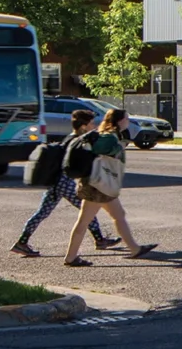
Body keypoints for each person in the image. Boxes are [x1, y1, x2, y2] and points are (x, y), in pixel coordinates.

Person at [13, 108, 117, 257]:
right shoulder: (75, 140)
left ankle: (22, 242)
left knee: (43, 213)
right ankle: (100, 240)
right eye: (91, 123)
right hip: (63, 182)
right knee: (87, 209)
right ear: (83, 126)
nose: (94, 126)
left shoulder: (71, 138)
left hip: (57, 182)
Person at [62, 107, 158, 267]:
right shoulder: (109, 137)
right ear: (119, 121)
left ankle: (135, 249)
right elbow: (99, 151)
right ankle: (70, 258)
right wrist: (117, 148)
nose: (128, 121)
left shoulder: (111, 135)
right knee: (83, 221)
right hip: (97, 186)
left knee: (119, 215)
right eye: (126, 118)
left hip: (103, 185)